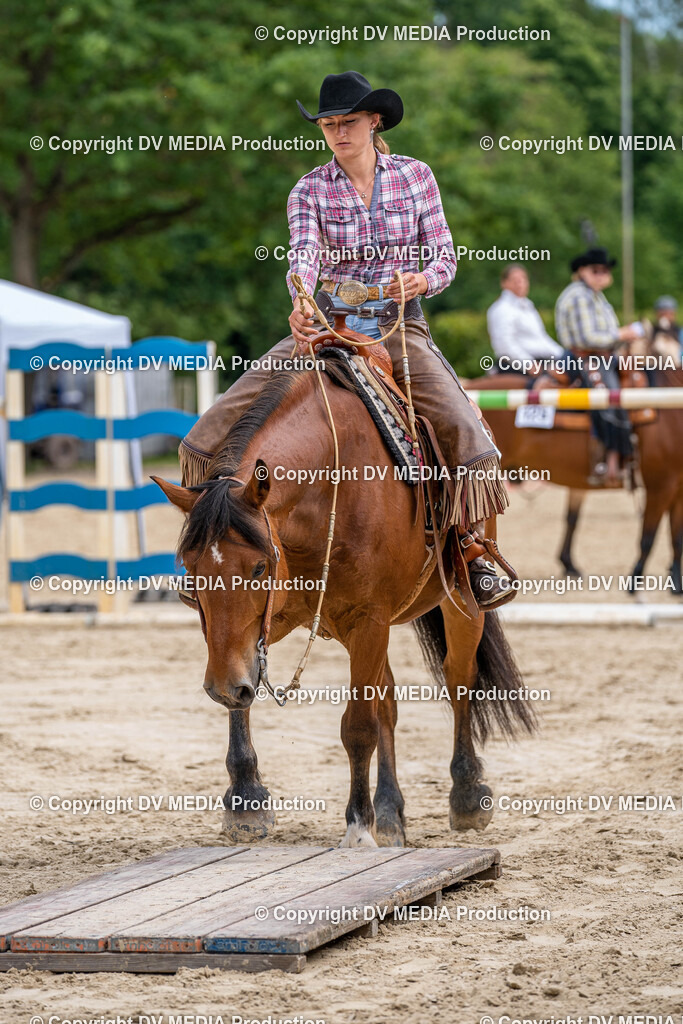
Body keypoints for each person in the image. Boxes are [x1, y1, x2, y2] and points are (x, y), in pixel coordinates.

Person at [179, 71, 515, 609]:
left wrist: (423, 280)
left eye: (349, 122)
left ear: (374, 121)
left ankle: (471, 548)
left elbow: (446, 256)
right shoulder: (308, 189)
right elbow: (303, 254)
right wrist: (300, 302)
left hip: (399, 325)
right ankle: (210, 553)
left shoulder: (416, 177)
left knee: (461, 423)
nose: (339, 133)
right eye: (329, 124)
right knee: (210, 428)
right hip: (326, 325)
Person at [555, 247, 641, 484]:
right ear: (582, 271)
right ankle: (605, 459)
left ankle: (620, 454)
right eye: (596, 270)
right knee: (606, 397)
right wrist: (622, 333)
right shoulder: (579, 296)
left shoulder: (595, 296)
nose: (602, 274)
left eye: (605, 270)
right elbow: (587, 338)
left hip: (601, 356)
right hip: (583, 358)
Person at [486, 264, 563, 371]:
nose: (520, 283)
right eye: (515, 280)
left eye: (523, 279)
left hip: (541, 361)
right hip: (515, 365)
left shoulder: (528, 306)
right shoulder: (501, 309)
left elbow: (542, 339)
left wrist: (564, 355)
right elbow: (504, 344)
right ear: (504, 283)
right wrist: (528, 364)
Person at [648, 296, 683, 363]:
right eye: (663, 314)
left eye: (669, 313)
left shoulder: (680, 332)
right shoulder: (651, 330)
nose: (666, 316)